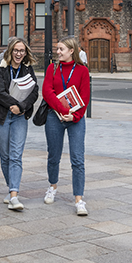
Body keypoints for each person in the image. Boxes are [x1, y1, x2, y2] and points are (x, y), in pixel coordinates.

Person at [0, 37, 39, 211]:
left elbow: (34, 91)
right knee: (5, 155)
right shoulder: (0, 68)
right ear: (10, 51)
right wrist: (13, 105)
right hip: (0, 117)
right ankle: (11, 188)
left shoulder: (27, 69)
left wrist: (21, 107)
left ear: (25, 53)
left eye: (22, 51)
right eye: (16, 50)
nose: (18, 54)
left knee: (16, 155)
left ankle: (14, 195)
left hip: (19, 117)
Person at [43, 36, 91, 216]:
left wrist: (75, 115)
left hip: (75, 119)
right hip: (55, 117)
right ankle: (52, 186)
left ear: (72, 51)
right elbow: (47, 91)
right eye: (57, 49)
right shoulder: (52, 68)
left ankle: (79, 199)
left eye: (61, 49)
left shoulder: (82, 71)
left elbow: (85, 96)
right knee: (53, 155)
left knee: (77, 159)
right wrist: (62, 110)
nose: (58, 52)